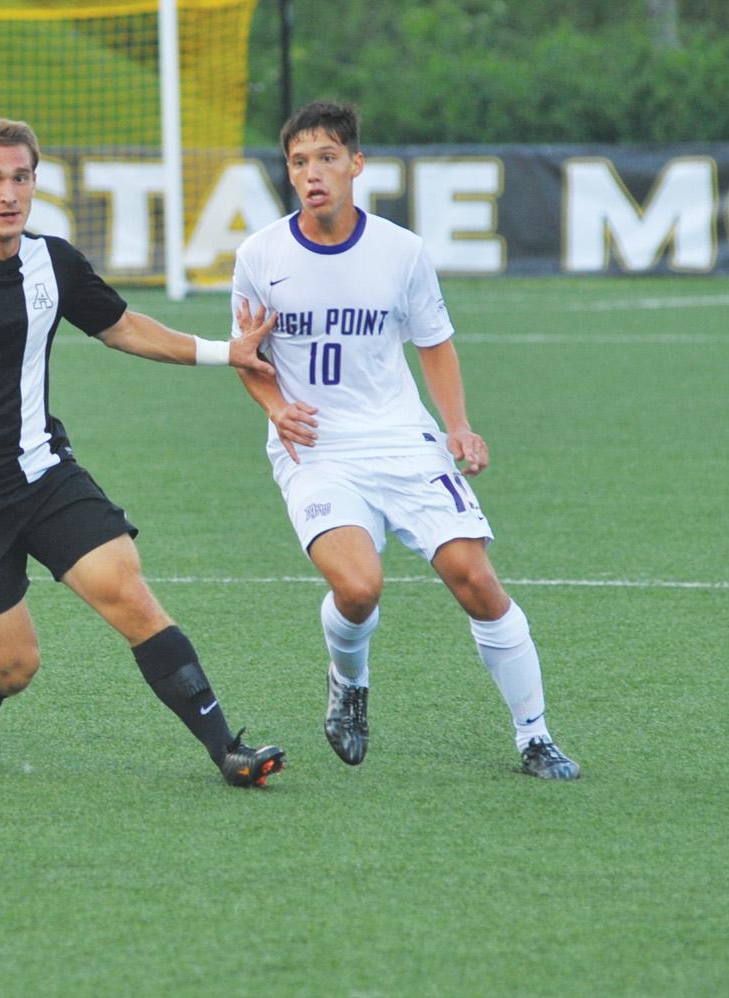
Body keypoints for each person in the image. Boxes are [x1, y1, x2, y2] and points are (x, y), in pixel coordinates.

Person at [0, 118, 286, 787]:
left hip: (42, 473)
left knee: (128, 590)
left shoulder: (55, 262)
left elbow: (124, 327)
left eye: (21, 177)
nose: (9, 192)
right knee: (16, 666)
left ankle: (227, 749)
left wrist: (227, 353)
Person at [230, 100, 580, 780]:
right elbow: (249, 357)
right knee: (359, 589)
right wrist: (275, 406)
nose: (312, 173)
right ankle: (349, 681)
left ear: (356, 164)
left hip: (401, 439)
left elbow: (435, 343)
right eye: (299, 161)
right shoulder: (260, 255)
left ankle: (534, 736)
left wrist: (458, 426)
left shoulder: (401, 251)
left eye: (327, 158)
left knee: (474, 578)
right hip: (317, 450)